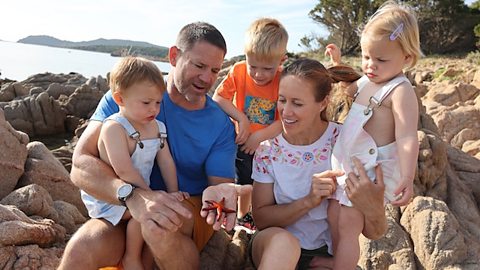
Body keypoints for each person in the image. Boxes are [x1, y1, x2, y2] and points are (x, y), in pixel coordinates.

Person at [58, 22, 243, 270]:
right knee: (81, 250)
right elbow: (80, 165)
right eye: (199, 66)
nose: (207, 78)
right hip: (127, 203)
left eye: (215, 70)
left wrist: (222, 193)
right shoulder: (128, 95)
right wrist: (133, 196)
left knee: (157, 228)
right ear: (174, 56)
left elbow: (219, 188)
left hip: (185, 203)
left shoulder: (220, 125)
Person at [250, 58, 387, 270]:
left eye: (297, 103)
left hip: (324, 255)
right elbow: (261, 219)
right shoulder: (267, 151)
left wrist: (374, 203)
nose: (286, 112)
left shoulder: (347, 142)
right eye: (282, 100)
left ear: (323, 102)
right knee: (284, 246)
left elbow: (375, 232)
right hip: (274, 243)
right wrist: (309, 200)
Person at [326, 2, 421, 269]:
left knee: (348, 225)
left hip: (370, 169)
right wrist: (337, 64)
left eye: (380, 60)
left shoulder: (400, 90)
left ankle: (343, 265)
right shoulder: (368, 80)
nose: (371, 65)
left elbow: (406, 137)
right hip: (351, 165)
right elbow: (348, 87)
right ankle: (336, 260)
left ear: (407, 58)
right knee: (333, 215)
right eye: (366, 57)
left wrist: (407, 176)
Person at [79, 56, 185, 269]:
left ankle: (139, 256)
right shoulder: (114, 128)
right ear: (120, 99)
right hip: (112, 196)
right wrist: (149, 196)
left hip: (139, 192)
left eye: (157, 103)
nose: (153, 109)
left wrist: (173, 192)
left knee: (156, 216)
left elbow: (166, 162)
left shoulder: (157, 127)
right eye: (146, 103)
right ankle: (131, 257)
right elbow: (123, 170)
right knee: (144, 216)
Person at [213, 17, 287, 229]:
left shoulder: (284, 80)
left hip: (270, 143)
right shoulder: (238, 71)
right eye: (253, 66)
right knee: (243, 181)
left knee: (265, 185)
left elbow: (284, 121)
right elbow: (219, 98)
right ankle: (243, 217)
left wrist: (259, 137)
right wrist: (241, 118)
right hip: (242, 141)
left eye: (267, 69)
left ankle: (261, 215)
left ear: (282, 60)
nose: (258, 74)